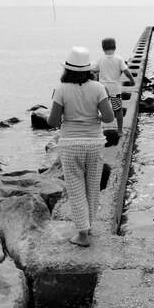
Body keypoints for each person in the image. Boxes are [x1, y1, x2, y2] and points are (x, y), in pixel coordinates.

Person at [47, 46, 114, 246]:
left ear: (67, 69)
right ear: (88, 69)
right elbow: (109, 117)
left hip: (70, 144)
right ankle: (88, 226)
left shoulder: (61, 89)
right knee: (92, 187)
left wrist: (67, 119)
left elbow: (52, 121)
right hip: (94, 142)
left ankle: (82, 235)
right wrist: (94, 118)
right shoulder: (98, 87)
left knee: (76, 189)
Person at [94, 37, 135, 136]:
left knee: (99, 109)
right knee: (118, 110)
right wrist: (132, 80)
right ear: (115, 47)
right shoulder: (119, 59)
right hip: (115, 89)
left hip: (102, 89)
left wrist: (95, 80)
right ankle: (120, 131)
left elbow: (93, 71)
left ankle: (97, 131)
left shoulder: (100, 60)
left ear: (103, 48)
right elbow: (126, 71)